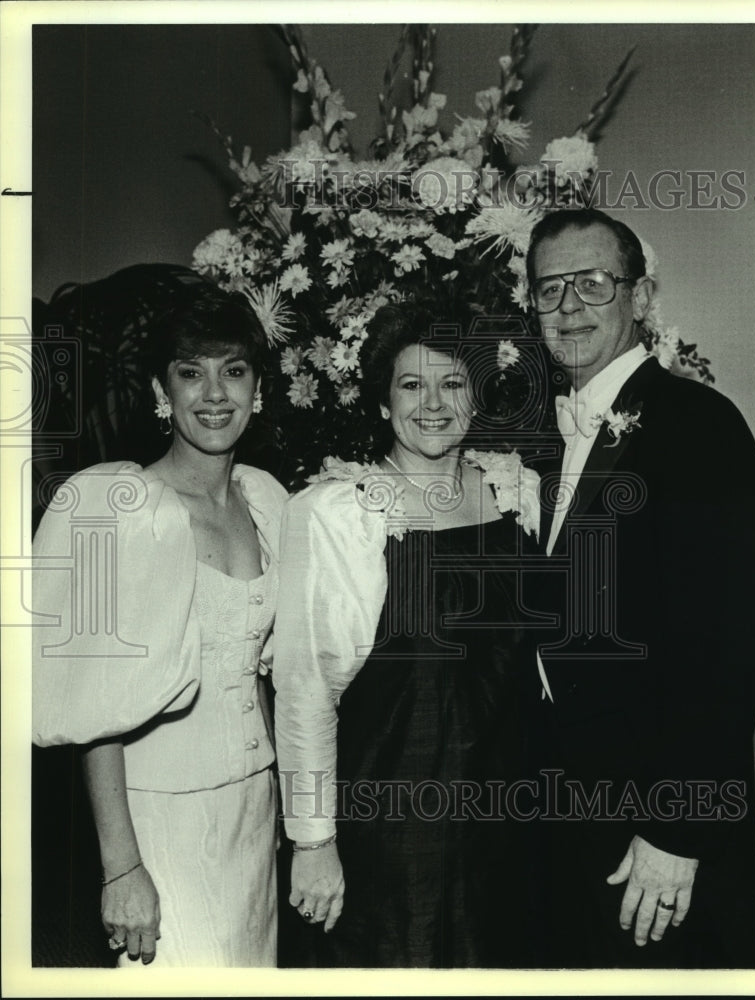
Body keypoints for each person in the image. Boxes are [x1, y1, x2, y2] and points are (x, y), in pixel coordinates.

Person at [526, 207, 755, 967]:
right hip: (568, 822)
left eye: (593, 283)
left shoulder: (699, 424)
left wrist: (676, 830)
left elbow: (727, 648)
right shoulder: (540, 435)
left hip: (658, 839)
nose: (568, 307)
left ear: (639, 297)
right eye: (548, 288)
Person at [272, 303, 543, 968]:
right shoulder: (339, 513)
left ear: (477, 395)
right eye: (411, 385)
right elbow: (304, 688)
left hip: (504, 826)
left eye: (452, 383)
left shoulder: (518, 492)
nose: (434, 404)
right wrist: (312, 842)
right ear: (382, 403)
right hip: (386, 832)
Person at [31, 283, 287, 967]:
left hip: (254, 814)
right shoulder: (113, 509)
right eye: (190, 371)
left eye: (234, 370)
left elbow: (264, 673)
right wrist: (121, 869)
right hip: (157, 820)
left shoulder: (267, 501)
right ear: (160, 390)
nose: (214, 393)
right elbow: (93, 713)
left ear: (258, 389)